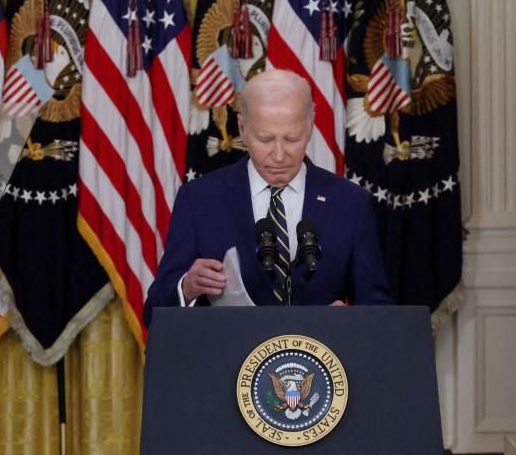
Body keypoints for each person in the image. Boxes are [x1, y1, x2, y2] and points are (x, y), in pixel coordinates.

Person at [144, 69, 392, 325]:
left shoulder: (350, 202)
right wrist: (187, 288)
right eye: (265, 139)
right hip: (229, 361)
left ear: (310, 125)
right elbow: (153, 314)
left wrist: (354, 320)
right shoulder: (199, 200)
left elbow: (379, 311)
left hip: (319, 360)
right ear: (242, 128)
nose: (279, 154)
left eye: (292, 138)